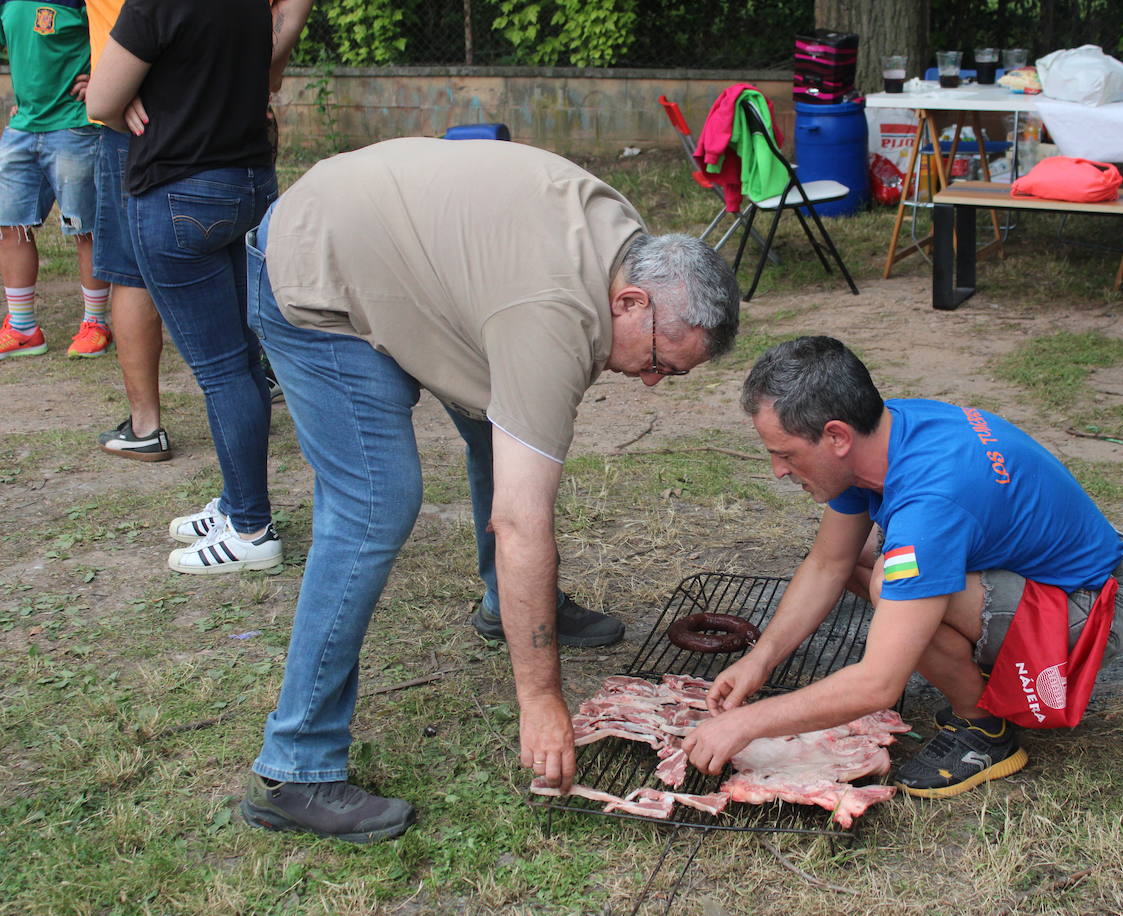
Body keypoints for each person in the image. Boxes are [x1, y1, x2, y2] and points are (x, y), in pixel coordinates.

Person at [232, 137, 739, 843]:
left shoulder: (624, 243)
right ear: (628, 300)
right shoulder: (554, 314)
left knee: (493, 432)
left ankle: (510, 606)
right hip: (317, 272)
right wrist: (540, 700)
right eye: (659, 363)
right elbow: (521, 522)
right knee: (377, 502)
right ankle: (298, 767)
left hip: (403, 257)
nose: (651, 381)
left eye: (670, 374)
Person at [682, 336, 1123, 798]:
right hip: (1039, 581)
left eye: (786, 453)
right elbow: (828, 563)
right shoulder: (879, 434)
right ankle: (981, 674)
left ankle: (985, 729)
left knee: (890, 578)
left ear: (836, 435)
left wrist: (745, 724)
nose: (779, 470)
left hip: (1089, 612)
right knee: (867, 562)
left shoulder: (931, 504)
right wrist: (761, 660)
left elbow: (878, 684)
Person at [87, 0, 294, 572]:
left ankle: (251, 529)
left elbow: (100, 101)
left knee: (223, 370)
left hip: (179, 188)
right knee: (242, 362)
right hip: (247, 182)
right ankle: (236, 505)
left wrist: (126, 92)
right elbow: (261, 78)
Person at [0, 0, 111, 359]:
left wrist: (104, 74)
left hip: (75, 126)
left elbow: (121, 33)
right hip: (23, 125)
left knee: (85, 228)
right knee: (9, 225)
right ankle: (22, 328)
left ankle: (95, 324)